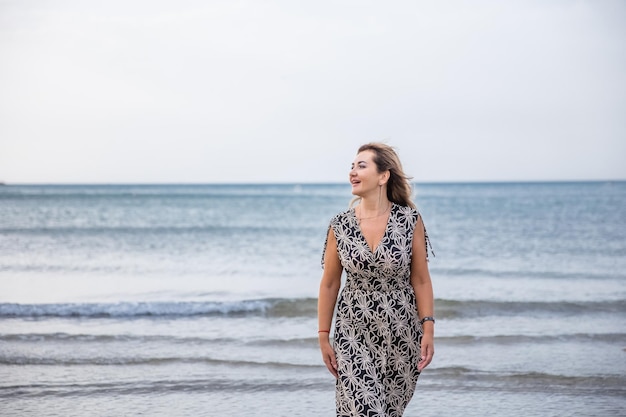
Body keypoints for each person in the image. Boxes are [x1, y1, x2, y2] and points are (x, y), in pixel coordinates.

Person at [318, 142, 435, 417]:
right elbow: (330, 283)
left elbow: (420, 279)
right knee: (365, 410)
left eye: (361, 165)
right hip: (352, 331)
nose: (352, 172)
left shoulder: (409, 220)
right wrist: (323, 336)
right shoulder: (340, 225)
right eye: (351, 166)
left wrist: (428, 327)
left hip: (401, 334)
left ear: (384, 176)